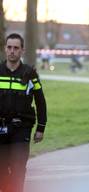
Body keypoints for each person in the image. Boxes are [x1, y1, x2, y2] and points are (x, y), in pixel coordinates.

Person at [0, 33, 47, 192]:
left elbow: (40, 101)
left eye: (16, 48)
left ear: (22, 51)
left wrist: (41, 127)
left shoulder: (30, 74)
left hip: (22, 129)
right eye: (9, 47)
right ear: (5, 49)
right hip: (1, 128)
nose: (12, 51)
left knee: (18, 170)